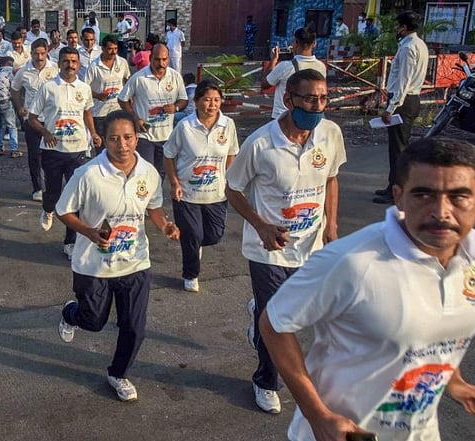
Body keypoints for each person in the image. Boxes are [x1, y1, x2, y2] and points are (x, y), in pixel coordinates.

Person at [260, 136, 475, 441]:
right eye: (424, 194)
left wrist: (453, 382)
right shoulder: (351, 261)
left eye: (459, 196)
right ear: (399, 197)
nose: (441, 211)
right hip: (346, 434)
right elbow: (273, 323)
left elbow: (438, 330)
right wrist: (317, 416)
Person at [225, 69, 346, 415]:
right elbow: (232, 188)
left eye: (323, 99)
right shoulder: (261, 143)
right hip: (269, 250)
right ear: (289, 99)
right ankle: (266, 380)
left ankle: (257, 313)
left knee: (296, 314)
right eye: (310, 99)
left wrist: (331, 224)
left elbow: (332, 179)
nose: (317, 106)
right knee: (278, 321)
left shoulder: (331, 134)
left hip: (311, 247)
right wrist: (261, 225)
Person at [56, 110, 180, 402]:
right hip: (93, 265)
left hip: (135, 262)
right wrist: (88, 232)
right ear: (104, 141)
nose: (121, 145)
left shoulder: (148, 172)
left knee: (134, 327)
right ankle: (70, 314)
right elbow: (64, 211)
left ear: (137, 138)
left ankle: (118, 373)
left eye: (127, 138)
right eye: (114, 139)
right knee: (94, 321)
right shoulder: (87, 174)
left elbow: (153, 207)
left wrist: (166, 225)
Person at [163, 81, 239, 293]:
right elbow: (168, 155)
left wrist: (228, 179)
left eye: (216, 100)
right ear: (196, 102)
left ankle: (194, 244)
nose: (212, 105)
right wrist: (174, 182)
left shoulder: (228, 125)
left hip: (217, 193)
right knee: (191, 236)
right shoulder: (185, 127)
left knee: (213, 236)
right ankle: (190, 274)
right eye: (206, 100)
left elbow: (231, 153)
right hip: (187, 194)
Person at [28, 46, 101, 260]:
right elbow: (32, 117)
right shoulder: (48, 88)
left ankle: (70, 242)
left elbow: (87, 112)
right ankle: (48, 208)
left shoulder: (84, 88)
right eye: (66, 61)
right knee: (53, 193)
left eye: (74, 61)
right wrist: (44, 131)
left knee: (75, 199)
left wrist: (94, 133)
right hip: (52, 150)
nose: (70, 65)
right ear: (59, 63)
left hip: (76, 151)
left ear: (78, 64)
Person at [374, 11, 429, 205]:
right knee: (398, 148)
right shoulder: (420, 45)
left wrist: (391, 107)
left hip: (403, 101)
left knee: (398, 150)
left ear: (404, 27)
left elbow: (403, 81)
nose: (396, 29)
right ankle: (393, 187)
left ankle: (396, 191)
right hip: (410, 99)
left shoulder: (408, 48)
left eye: (398, 26)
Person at [118, 44, 188, 176]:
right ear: (150, 58)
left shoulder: (175, 76)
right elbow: (122, 99)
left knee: (161, 173)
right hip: (145, 135)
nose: (161, 63)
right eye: (157, 59)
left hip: (166, 136)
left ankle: (157, 197)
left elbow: (184, 100)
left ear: (168, 59)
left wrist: (176, 107)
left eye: (164, 59)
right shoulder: (139, 78)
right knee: (145, 173)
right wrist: (135, 117)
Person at [12, 38, 59, 202]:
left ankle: (53, 186)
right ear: (30, 53)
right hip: (32, 120)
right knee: (34, 155)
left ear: (47, 52)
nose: (39, 57)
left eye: (42, 53)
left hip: (52, 119)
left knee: (52, 155)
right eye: (36, 53)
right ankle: (37, 188)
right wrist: (19, 108)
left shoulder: (55, 69)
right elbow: (15, 89)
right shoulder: (23, 72)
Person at [262, 27, 326, 119]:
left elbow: (265, 84)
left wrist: (273, 60)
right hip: (309, 116)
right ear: (314, 44)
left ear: (296, 43)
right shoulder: (321, 67)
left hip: (284, 118)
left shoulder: (285, 66)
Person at [85, 35, 131, 153]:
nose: (113, 52)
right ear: (103, 48)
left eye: (115, 49)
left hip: (118, 110)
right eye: (110, 49)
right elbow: (85, 88)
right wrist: (98, 96)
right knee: (103, 149)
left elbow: (128, 80)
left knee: (118, 147)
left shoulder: (122, 63)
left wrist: (128, 98)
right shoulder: (94, 66)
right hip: (100, 113)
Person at [0, 56, 20, 158]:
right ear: (11, 63)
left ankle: (0, 147)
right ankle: (14, 149)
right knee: (12, 126)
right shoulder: (12, 74)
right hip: (4, 102)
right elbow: (15, 90)